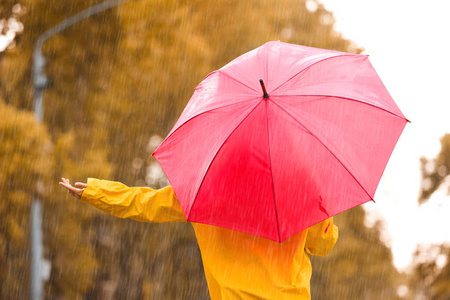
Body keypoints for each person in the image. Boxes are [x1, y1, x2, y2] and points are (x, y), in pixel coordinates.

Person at [59, 177, 338, 299]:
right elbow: (322, 246)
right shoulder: (300, 192)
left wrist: (97, 192)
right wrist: (322, 211)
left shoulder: (208, 192)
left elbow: (148, 203)